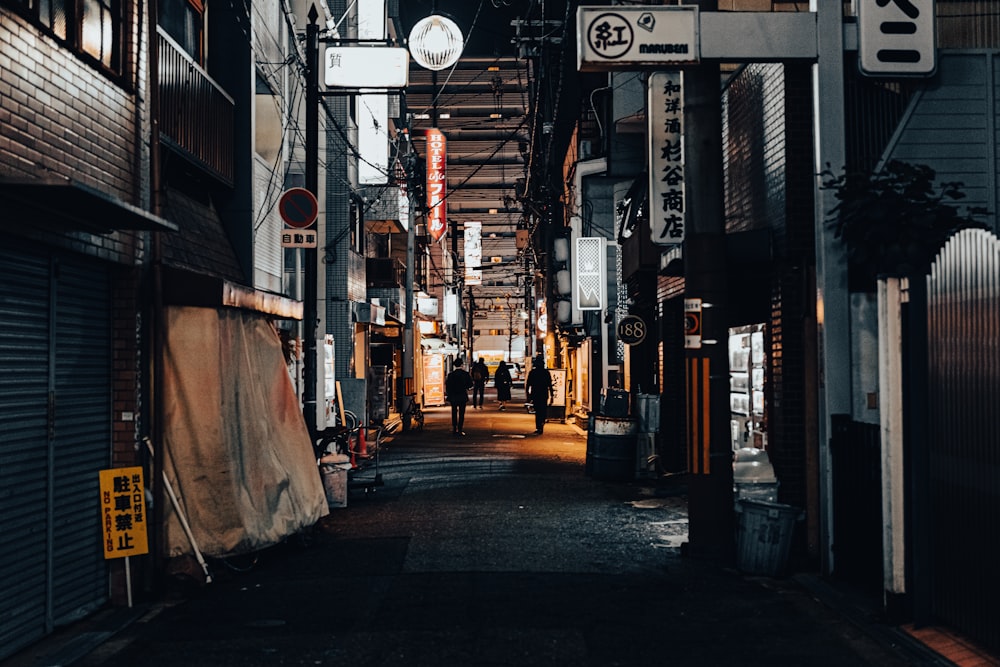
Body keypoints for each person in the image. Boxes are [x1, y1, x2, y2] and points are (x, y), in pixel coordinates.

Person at [525, 354, 553, 434]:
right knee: (543, 410)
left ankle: (538, 426)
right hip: (544, 393)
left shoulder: (533, 372)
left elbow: (528, 384)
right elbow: (549, 384)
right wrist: (552, 395)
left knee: (537, 411)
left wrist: (528, 395)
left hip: (535, 393)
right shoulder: (546, 372)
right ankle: (541, 423)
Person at [445, 358, 473, 435]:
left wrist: (449, 393)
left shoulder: (451, 375)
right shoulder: (465, 374)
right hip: (462, 395)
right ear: (461, 364)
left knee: (454, 411)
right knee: (461, 412)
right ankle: (460, 428)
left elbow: (448, 385)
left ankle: (454, 428)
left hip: (453, 395)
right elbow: (470, 384)